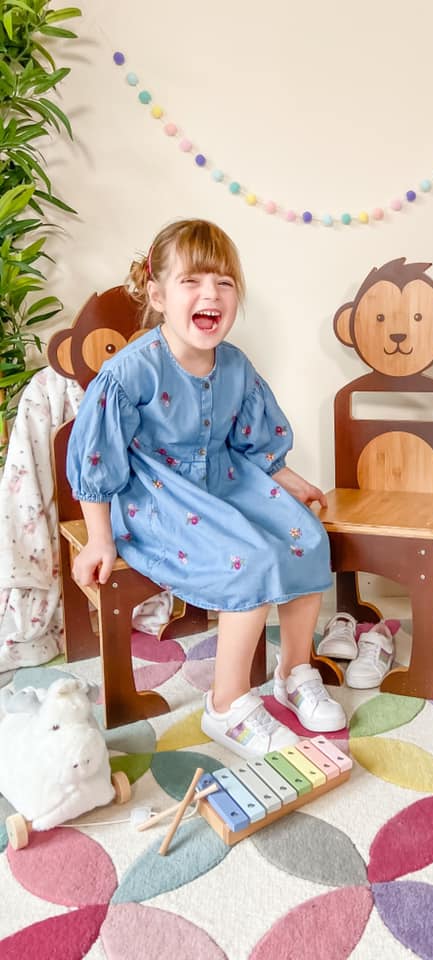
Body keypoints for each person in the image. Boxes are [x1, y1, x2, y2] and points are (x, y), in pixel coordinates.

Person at [66, 219, 345, 758]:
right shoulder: (130, 373)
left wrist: (292, 481)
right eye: (192, 281)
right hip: (154, 496)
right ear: (158, 295)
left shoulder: (235, 365)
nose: (210, 294)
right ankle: (228, 703)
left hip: (223, 477)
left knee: (308, 539)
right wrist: (100, 539)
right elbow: (97, 462)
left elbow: (253, 441)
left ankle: (295, 669)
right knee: (251, 559)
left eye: (224, 282)